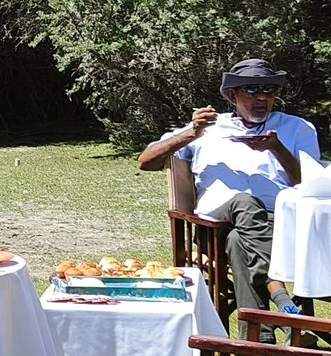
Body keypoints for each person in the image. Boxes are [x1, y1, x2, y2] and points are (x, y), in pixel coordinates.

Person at [136, 58, 320, 314]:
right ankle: (280, 295)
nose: (262, 97)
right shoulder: (207, 128)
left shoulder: (297, 128)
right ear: (232, 95)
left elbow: (310, 184)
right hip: (214, 228)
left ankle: (259, 343)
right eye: (253, 89)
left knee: (238, 243)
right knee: (243, 202)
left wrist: (277, 149)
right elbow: (146, 161)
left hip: (279, 226)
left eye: (269, 90)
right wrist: (191, 133)